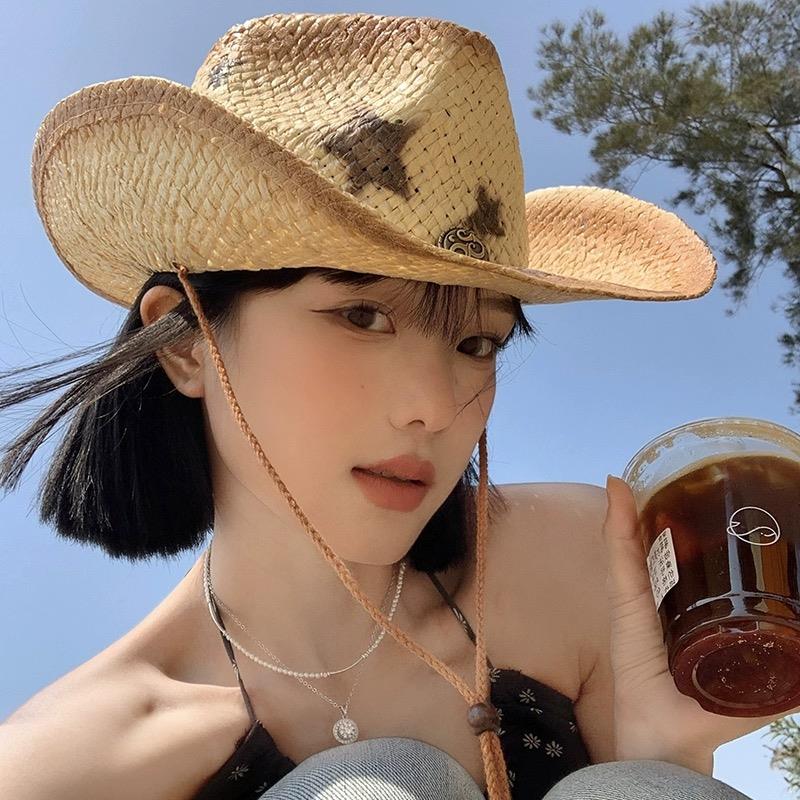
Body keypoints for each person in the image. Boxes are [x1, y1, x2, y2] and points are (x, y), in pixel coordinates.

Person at [0, 10, 773, 800]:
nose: (435, 408)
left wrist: (664, 760)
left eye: (477, 342)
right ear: (187, 344)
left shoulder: (577, 565)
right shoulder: (71, 768)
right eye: (362, 316)